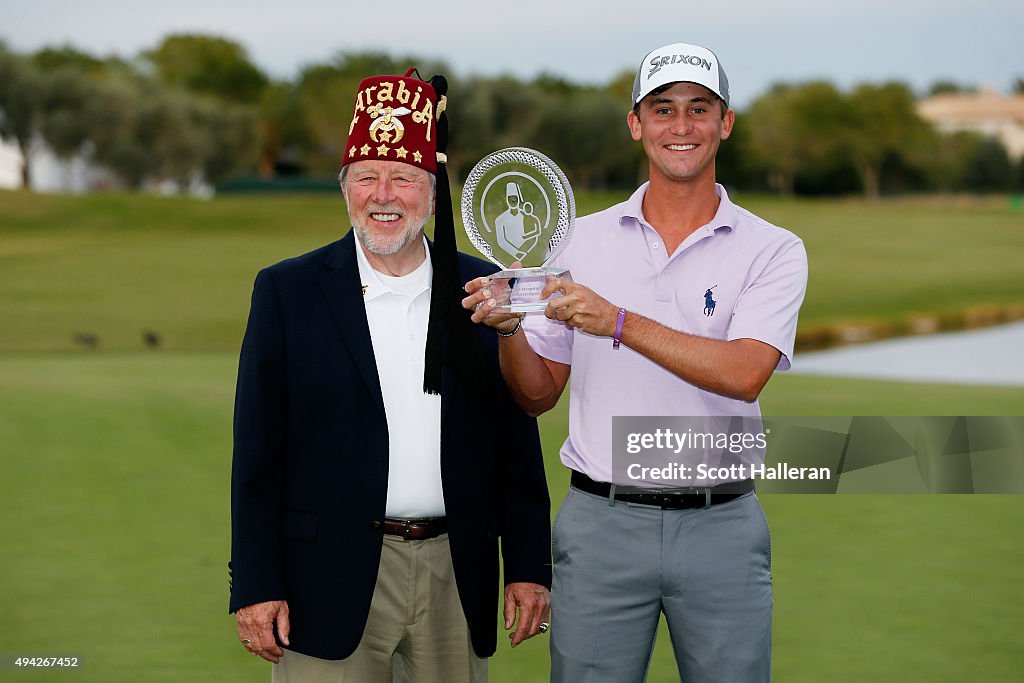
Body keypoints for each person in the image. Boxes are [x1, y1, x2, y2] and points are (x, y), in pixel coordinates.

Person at [463, 42, 808, 682]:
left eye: (699, 109)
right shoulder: (577, 240)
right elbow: (538, 395)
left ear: (725, 123)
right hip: (601, 525)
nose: (681, 127)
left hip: (722, 525)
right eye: (662, 109)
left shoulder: (774, 249)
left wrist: (615, 321)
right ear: (635, 124)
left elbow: (743, 372)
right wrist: (510, 330)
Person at [230, 68, 552, 683]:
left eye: (403, 177)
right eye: (366, 177)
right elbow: (257, 452)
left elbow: (514, 436)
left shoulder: (483, 290)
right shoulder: (287, 292)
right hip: (324, 579)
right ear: (344, 188)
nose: (384, 195)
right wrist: (255, 584)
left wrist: (531, 564)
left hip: (456, 573)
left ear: (432, 192)